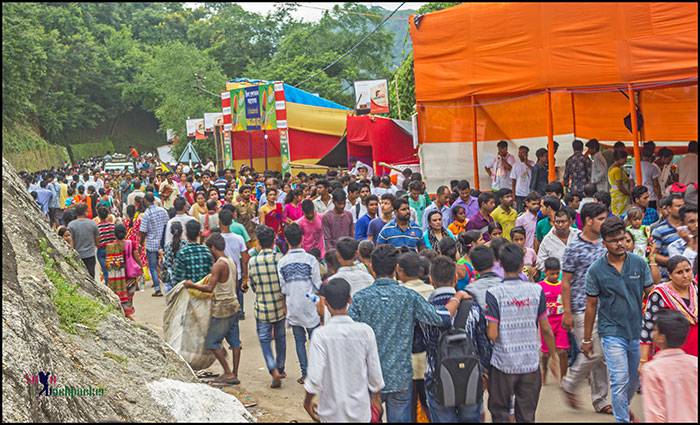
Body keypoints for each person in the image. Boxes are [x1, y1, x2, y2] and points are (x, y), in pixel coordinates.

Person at [348, 244, 473, 423]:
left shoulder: (360, 299)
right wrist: (458, 297)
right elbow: (441, 318)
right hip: (400, 374)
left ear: (372, 268)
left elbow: (350, 333)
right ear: (396, 269)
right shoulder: (408, 296)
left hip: (369, 375)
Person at [584, 217, 654, 423]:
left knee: (632, 381)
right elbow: (591, 306)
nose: (620, 244)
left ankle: (622, 406)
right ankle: (622, 419)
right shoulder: (595, 270)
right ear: (603, 242)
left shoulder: (639, 263)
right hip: (611, 331)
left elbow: (652, 294)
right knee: (619, 379)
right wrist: (587, 339)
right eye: (614, 240)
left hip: (636, 331)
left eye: (622, 239)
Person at [484, 243, 560, 423]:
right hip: (530, 363)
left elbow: (492, 333)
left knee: (500, 412)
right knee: (526, 413)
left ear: (500, 264)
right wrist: (553, 355)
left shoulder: (494, 293)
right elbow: (546, 328)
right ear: (521, 265)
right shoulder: (536, 290)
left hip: (503, 362)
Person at [418, 255, 492, 423]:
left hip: (437, 377)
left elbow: (420, 344)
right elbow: (483, 344)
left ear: (431, 279)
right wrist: (484, 372)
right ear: (456, 277)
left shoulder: (426, 310)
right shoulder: (472, 307)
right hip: (470, 374)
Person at [303, 277, 385, 423]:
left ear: (326, 303)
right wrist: (376, 398)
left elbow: (315, 377)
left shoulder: (321, 335)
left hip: (331, 413)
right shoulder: (365, 332)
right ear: (349, 299)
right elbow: (375, 373)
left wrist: (307, 402)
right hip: (360, 410)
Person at [560, 202, 612, 414]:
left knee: (602, 358)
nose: (604, 222)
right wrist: (567, 312)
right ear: (588, 220)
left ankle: (601, 400)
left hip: (605, 306)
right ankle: (570, 383)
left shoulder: (606, 244)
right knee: (593, 352)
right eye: (600, 219)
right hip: (581, 308)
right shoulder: (574, 247)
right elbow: (566, 282)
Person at [184, 232, 242, 386]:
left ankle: (228, 373)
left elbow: (209, 288)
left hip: (222, 308)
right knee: (235, 342)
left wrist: (192, 285)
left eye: (210, 249)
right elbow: (234, 285)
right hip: (234, 304)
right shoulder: (231, 262)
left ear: (214, 248)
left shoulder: (219, 265)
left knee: (212, 342)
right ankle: (234, 373)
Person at [277, 223, 323, 385]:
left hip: (293, 306)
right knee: (315, 341)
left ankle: (306, 374)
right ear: (302, 238)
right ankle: (318, 374)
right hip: (310, 305)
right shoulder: (311, 260)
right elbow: (317, 285)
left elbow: (283, 288)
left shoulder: (282, 262)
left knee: (299, 341)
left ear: (287, 241)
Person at [641, 309, 698, 423]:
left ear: (662, 337)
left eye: (655, 330)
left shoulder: (652, 370)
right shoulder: (694, 363)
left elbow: (655, 415)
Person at [396, 251, 434, 421]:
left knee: (408, 408)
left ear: (400, 270)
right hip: (430, 361)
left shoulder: (397, 292)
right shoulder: (432, 291)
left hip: (405, 362)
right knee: (430, 405)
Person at [248, 225, 287, 388]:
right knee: (280, 337)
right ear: (273, 242)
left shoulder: (253, 262)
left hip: (262, 306)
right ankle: (280, 367)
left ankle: (272, 368)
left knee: (264, 340)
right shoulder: (280, 259)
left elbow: (254, 286)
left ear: (259, 242)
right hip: (279, 305)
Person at [641, 256, 698, 363]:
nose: (685, 275)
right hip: (669, 352)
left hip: (695, 349)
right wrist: (643, 359)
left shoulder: (695, 289)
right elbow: (648, 326)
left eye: (688, 270)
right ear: (670, 275)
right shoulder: (659, 294)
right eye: (679, 272)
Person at [538, 258, 569, 383]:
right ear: (545, 272)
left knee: (562, 351)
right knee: (546, 354)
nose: (555, 276)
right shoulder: (540, 287)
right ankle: (544, 370)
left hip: (561, 322)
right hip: (547, 323)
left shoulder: (563, 285)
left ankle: (563, 378)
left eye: (557, 273)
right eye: (552, 273)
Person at [105, 223, 141, 318]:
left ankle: (123, 314)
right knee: (129, 296)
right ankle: (128, 314)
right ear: (125, 233)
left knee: (120, 297)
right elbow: (136, 256)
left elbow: (108, 264)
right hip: (130, 276)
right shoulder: (130, 244)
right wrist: (140, 266)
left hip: (117, 277)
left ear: (114, 234)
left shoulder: (110, 247)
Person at [220, 208, 251, 320]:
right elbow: (245, 258)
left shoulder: (218, 239)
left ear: (220, 221)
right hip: (237, 272)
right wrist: (245, 277)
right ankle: (240, 311)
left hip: (223, 274)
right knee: (239, 292)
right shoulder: (239, 239)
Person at [139, 193, 169, 296]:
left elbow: (143, 231)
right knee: (165, 265)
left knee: (152, 267)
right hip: (163, 243)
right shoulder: (162, 210)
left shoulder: (147, 214)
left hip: (151, 244)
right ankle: (168, 286)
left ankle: (157, 289)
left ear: (146, 201)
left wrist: (140, 243)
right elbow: (167, 225)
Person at [536, 208, 580, 272]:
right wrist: (555, 272)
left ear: (570, 222)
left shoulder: (578, 235)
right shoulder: (547, 240)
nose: (560, 225)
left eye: (563, 222)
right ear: (554, 223)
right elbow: (540, 263)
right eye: (557, 222)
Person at [652, 193, 685, 277]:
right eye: (678, 206)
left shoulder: (690, 226)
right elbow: (653, 254)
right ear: (669, 208)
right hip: (668, 276)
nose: (682, 209)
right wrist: (671, 261)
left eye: (683, 206)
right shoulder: (659, 230)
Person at [172, 220, 213, 286]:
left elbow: (178, 278)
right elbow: (211, 273)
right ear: (199, 233)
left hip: (188, 293)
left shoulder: (182, 253)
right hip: (205, 291)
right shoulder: (206, 251)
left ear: (186, 234)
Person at [67, 203, 100, 278]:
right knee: (91, 277)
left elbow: (71, 243)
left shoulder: (71, 225)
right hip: (90, 255)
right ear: (85, 212)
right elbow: (97, 241)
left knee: (80, 277)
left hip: (78, 255)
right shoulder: (92, 223)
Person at [510, 145, 535, 212]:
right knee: (520, 211)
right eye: (520, 152)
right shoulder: (515, 165)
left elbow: (535, 172)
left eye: (523, 152)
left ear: (527, 154)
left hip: (529, 192)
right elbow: (513, 180)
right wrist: (513, 193)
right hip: (519, 193)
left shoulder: (532, 163)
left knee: (531, 210)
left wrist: (527, 164)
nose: (521, 154)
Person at [95, 206, 116, 284]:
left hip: (101, 250)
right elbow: (115, 238)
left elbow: (96, 241)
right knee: (113, 269)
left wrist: (98, 245)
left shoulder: (97, 227)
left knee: (105, 270)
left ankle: (108, 286)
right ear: (107, 215)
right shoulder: (112, 226)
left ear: (98, 215)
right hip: (111, 249)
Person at [608, 149, 631, 216]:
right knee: (622, 213)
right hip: (620, 195)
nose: (626, 160)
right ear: (620, 158)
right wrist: (628, 194)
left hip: (615, 193)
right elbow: (620, 186)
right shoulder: (617, 170)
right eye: (625, 158)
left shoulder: (611, 168)